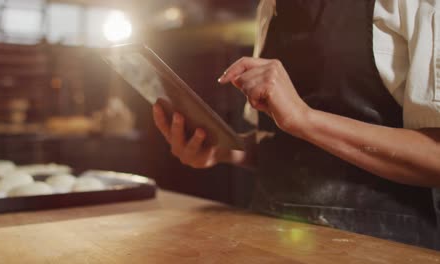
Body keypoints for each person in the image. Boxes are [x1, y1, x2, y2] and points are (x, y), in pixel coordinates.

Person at [153, 0, 440, 250]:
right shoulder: (270, 5)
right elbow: (281, 144)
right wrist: (224, 149)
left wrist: (304, 119)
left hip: (383, 245)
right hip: (270, 235)